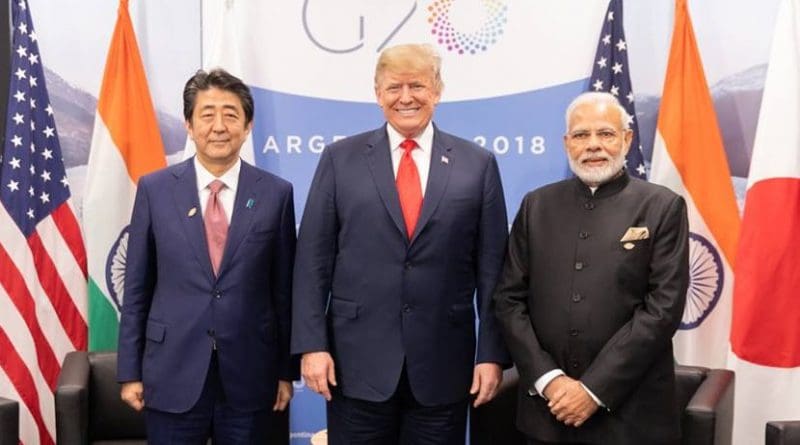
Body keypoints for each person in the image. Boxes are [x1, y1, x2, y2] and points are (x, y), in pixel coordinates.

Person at [292, 43, 510, 444]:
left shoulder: (477, 164)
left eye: (417, 86)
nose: (406, 97)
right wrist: (311, 346)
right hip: (354, 367)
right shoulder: (340, 159)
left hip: (443, 370)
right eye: (394, 87)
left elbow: (494, 271)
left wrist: (491, 354)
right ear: (377, 93)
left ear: (438, 90)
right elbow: (312, 261)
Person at [493, 91, 689, 445]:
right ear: (567, 143)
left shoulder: (662, 206)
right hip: (546, 413)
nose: (593, 145)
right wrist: (549, 379)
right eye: (582, 135)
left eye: (606, 134)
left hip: (632, 417)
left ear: (627, 139)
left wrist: (593, 390)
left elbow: (663, 310)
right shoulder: (536, 206)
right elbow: (509, 301)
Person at [117, 68, 298, 443]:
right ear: (188, 124)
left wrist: (285, 371)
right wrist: (130, 371)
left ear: (247, 126)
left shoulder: (276, 194)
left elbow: (284, 292)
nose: (219, 126)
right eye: (207, 114)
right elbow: (137, 288)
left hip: (251, 374)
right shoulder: (156, 189)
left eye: (231, 114)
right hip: (171, 372)